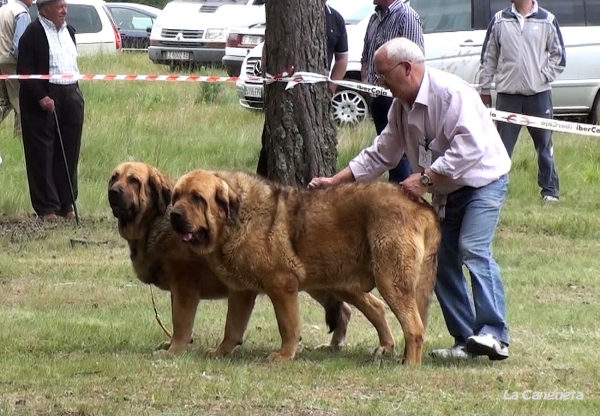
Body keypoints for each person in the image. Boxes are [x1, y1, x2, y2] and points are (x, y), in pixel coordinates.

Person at [309, 37, 512, 361]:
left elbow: (470, 148)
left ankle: (494, 335)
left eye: (383, 74)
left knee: (473, 248)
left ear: (406, 68)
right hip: (447, 191)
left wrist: (427, 177)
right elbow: (382, 153)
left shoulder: (450, 94)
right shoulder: (401, 108)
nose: (380, 83)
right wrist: (335, 182)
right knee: (442, 262)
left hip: (483, 182)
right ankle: (465, 340)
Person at [479, 0, 565, 202]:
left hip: (539, 95)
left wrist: (541, 77)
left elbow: (559, 57)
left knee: (544, 146)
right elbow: (489, 57)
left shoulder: (547, 20)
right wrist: (484, 88)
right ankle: (495, 190)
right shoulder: (500, 20)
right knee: (501, 148)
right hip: (508, 96)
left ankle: (550, 191)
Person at [256, 0, 348, 177]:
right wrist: (268, 82)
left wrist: (331, 86)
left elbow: (342, 58)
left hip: (317, 98)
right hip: (281, 95)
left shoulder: (336, 19)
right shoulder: (284, 13)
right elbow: (267, 49)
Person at [17, 0, 84, 221]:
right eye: (59, 6)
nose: (65, 10)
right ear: (44, 8)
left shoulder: (69, 32)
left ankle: (67, 203)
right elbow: (24, 71)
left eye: (66, 5)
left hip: (70, 96)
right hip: (44, 98)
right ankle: (47, 208)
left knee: (69, 151)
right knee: (42, 153)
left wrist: (76, 94)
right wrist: (41, 96)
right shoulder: (32, 33)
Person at [361, 0, 424, 184]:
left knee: (402, 153)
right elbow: (366, 55)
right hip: (378, 97)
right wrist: (369, 82)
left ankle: (405, 194)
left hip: (397, 96)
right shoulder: (374, 18)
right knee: (386, 148)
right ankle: (396, 190)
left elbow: (415, 61)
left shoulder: (407, 16)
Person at [0, 0, 33, 137]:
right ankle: (21, 138)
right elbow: (20, 46)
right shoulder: (22, 13)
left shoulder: (3, 9)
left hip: (1, 60)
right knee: (22, 102)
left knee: (3, 101)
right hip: (13, 63)